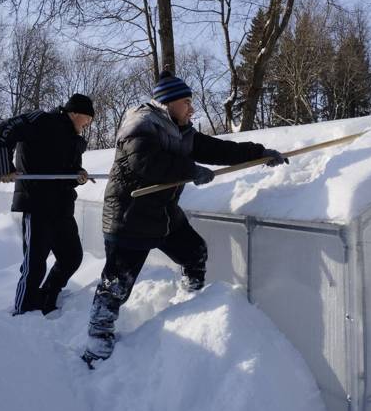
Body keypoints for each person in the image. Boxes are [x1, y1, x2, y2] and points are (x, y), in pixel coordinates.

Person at [82, 71, 288, 366]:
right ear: (168, 103)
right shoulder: (140, 124)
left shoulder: (183, 131)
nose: (192, 109)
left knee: (195, 253)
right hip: (131, 215)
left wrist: (260, 153)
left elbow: (219, 149)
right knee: (116, 285)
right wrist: (190, 170)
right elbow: (146, 162)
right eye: (186, 102)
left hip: (164, 215)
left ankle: (188, 304)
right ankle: (97, 342)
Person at [0, 93, 94, 316]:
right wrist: (3, 166)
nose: (89, 124)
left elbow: (65, 170)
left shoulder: (76, 140)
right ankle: (23, 311)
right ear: (74, 112)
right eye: (88, 118)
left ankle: (47, 297)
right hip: (37, 204)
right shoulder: (42, 121)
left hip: (63, 207)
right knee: (35, 264)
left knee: (72, 257)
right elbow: (3, 131)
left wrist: (78, 175)